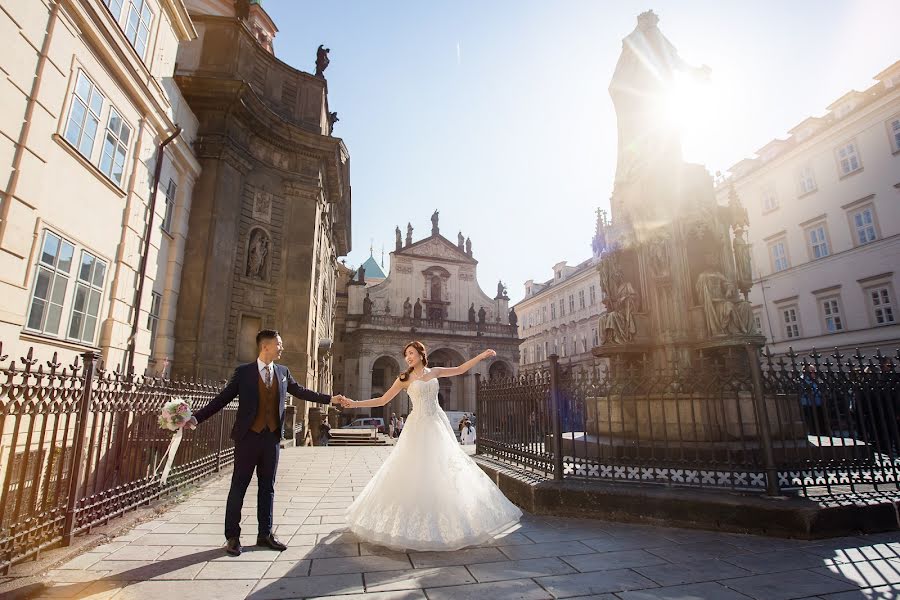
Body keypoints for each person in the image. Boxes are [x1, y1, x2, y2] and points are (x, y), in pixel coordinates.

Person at [336, 341, 522, 550]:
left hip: (437, 424)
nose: (408, 357)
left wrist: (480, 356)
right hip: (417, 426)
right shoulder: (404, 378)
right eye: (406, 354)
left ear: (421, 354)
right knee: (413, 472)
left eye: (412, 353)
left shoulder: (435, 372)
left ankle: (453, 522)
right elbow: (382, 400)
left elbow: (460, 369)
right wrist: (354, 403)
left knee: (447, 469)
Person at [186, 329, 346, 556]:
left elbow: (301, 392)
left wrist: (330, 399)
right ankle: (232, 537)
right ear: (266, 346)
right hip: (247, 438)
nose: (282, 347)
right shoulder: (243, 373)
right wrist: (196, 418)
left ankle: (265, 534)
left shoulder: (283, 372)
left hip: (271, 439)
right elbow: (222, 399)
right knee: (238, 487)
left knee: (267, 487)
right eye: (279, 344)